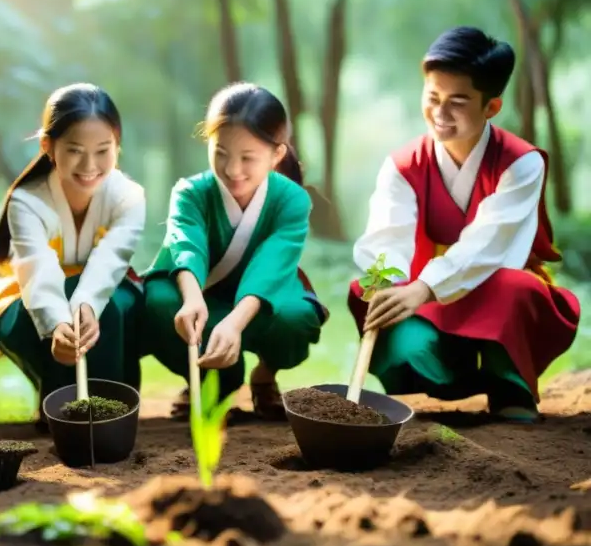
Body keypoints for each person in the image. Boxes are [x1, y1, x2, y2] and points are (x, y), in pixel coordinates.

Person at [348, 26, 581, 423]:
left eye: (458, 102)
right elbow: (389, 237)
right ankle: (446, 381)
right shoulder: (403, 165)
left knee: (515, 286)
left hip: (491, 286)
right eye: (432, 97)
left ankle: (508, 386)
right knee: (399, 334)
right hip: (424, 288)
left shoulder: (521, 163)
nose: (439, 114)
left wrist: (426, 287)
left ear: (491, 107)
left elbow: (490, 245)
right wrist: (387, 284)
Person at [142, 83, 328, 421]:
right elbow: (186, 245)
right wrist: (192, 297)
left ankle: (265, 374)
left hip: (262, 300)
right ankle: (212, 379)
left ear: (277, 154)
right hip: (204, 298)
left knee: (296, 318)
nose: (232, 170)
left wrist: (236, 322)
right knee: (158, 301)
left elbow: (271, 264)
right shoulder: (190, 192)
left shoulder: (292, 199)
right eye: (221, 153)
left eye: (248, 158)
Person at [0, 83, 146, 425]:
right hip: (35, 292)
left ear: (118, 145)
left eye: (103, 150)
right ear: (48, 146)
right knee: (17, 323)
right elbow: (37, 270)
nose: (90, 165)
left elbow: (111, 260)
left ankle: (112, 408)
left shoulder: (129, 196)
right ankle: (56, 400)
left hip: (105, 289)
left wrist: (85, 306)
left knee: (111, 308)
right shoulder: (28, 201)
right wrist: (56, 325)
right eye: (75, 150)